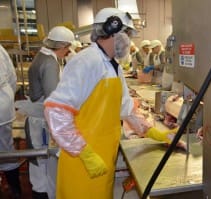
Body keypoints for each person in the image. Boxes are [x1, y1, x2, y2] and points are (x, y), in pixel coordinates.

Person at [43, 7, 185, 199]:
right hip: (82, 163)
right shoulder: (87, 61)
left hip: (104, 158)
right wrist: (86, 154)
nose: (129, 41)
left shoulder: (112, 66)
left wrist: (159, 135)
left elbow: (127, 111)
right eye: (127, 34)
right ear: (112, 31)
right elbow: (56, 111)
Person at [26, 26, 75, 199]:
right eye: (68, 48)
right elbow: (53, 99)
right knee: (43, 166)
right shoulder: (49, 63)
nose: (68, 51)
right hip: (41, 122)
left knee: (40, 166)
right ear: (62, 45)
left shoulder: (43, 55)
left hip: (38, 117)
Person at [0, 44, 21, 199]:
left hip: (3, 108)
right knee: (7, 148)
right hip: (3, 109)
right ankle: (15, 189)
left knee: (6, 149)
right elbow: (12, 77)